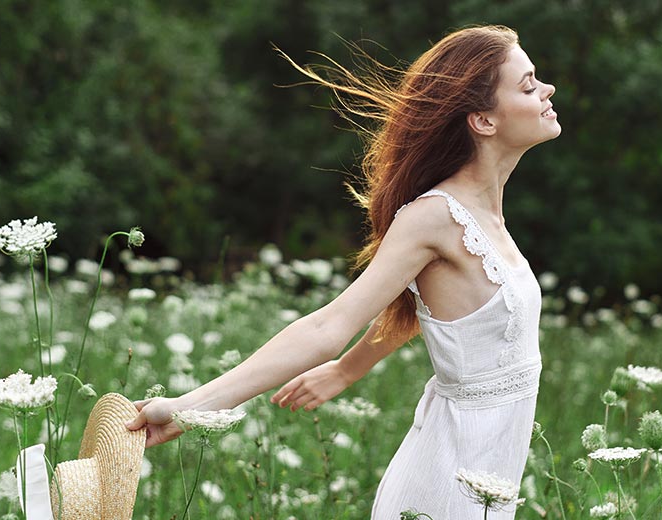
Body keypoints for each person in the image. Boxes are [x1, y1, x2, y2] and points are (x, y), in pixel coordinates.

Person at [126, 24, 559, 519]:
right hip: (450, 482)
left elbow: (448, 315)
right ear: (483, 120)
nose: (547, 90)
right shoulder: (434, 217)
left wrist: (347, 370)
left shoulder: (485, 215)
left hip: (491, 475)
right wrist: (189, 408)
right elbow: (326, 326)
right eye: (527, 85)